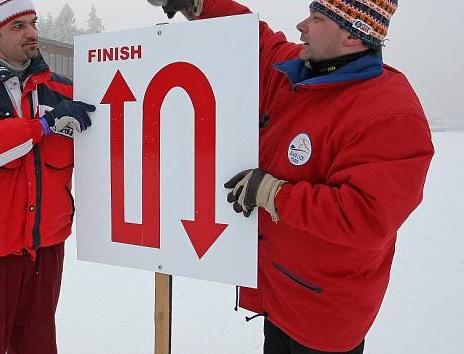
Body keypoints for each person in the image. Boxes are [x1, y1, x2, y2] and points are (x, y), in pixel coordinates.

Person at [148, 0, 434, 353]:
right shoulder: (294, 71)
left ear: (351, 36)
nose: (301, 26)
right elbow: (251, 38)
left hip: (326, 313)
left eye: (316, 19)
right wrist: (197, 4)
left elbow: (367, 215)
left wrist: (273, 193)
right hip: (280, 293)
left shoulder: (389, 113)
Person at [0, 0, 96, 352]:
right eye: (18, 26)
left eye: (33, 23)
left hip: (45, 252)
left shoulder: (66, 91)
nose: (32, 34)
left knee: (37, 346)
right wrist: (42, 126)